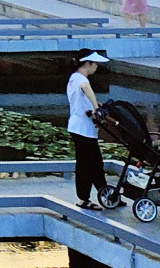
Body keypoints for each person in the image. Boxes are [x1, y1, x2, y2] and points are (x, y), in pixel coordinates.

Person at [66, 51, 108, 209]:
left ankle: (106, 194)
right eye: (94, 63)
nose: (96, 66)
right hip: (82, 129)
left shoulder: (73, 78)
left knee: (96, 162)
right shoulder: (81, 80)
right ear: (86, 64)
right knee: (86, 164)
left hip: (81, 127)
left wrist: (95, 106)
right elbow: (85, 88)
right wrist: (96, 108)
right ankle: (83, 199)